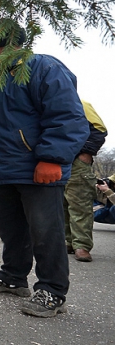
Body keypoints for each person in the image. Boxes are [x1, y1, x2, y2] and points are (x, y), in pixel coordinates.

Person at [0, 19, 89, 318]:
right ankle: (13, 278)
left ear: (10, 46)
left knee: (45, 232)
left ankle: (52, 290)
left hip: (37, 168)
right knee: (12, 230)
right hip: (2, 170)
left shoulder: (43, 68)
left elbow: (68, 117)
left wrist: (52, 158)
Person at [64, 100, 107, 262]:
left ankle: (81, 245)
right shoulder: (44, 102)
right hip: (53, 159)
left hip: (76, 161)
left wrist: (85, 154)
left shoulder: (79, 103)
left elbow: (99, 129)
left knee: (79, 203)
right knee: (59, 204)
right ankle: (68, 241)